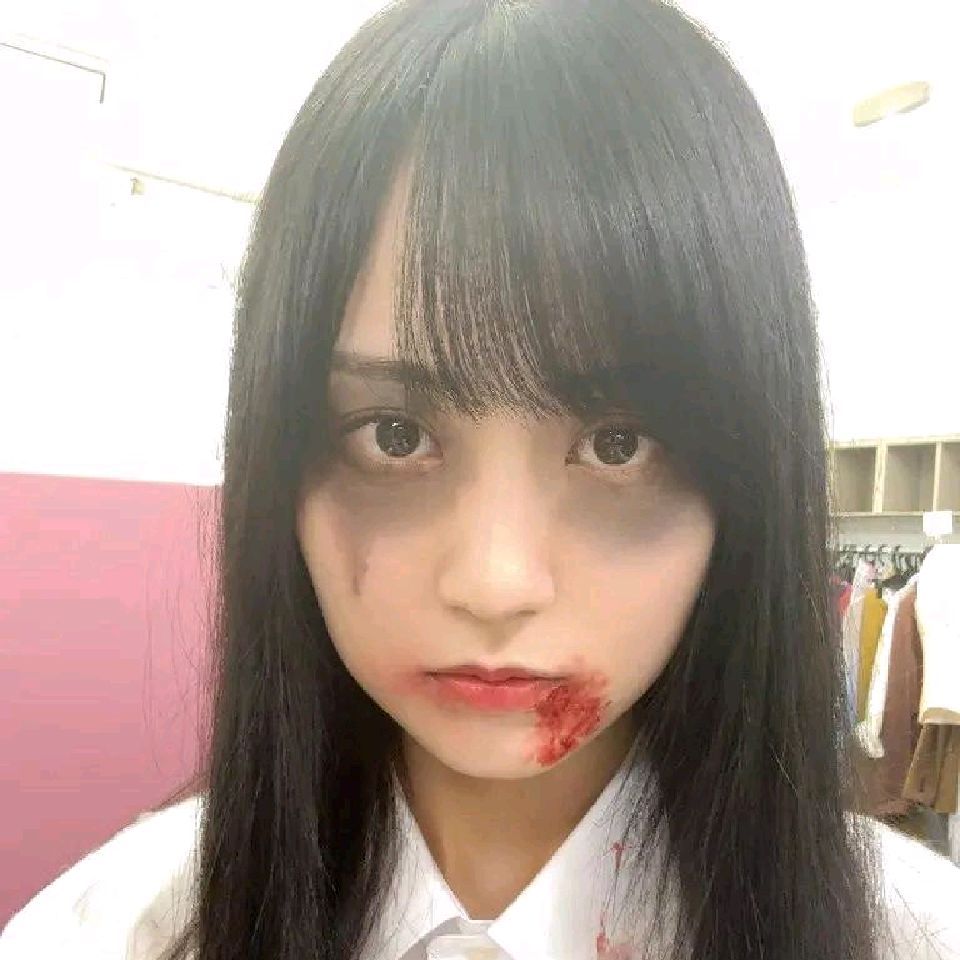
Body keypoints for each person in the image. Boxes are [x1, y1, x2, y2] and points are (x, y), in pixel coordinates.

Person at [3, 1, 959, 958]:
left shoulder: (909, 937)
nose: (496, 583)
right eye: (394, 435)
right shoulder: (118, 933)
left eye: (618, 444)